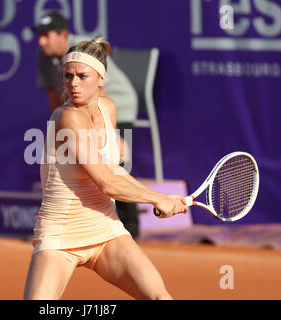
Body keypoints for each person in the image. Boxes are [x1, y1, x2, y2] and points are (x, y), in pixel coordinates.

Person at [23, 38, 188, 300]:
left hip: (106, 230)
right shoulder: (66, 117)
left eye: (82, 76)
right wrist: (157, 199)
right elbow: (107, 183)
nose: (73, 83)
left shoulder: (108, 108)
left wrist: (161, 197)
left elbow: (114, 170)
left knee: (160, 297)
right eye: (68, 76)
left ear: (100, 78)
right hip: (61, 235)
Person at [33, 11, 141, 240]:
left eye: (46, 35)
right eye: (39, 35)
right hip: (78, 111)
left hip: (116, 104)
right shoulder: (44, 56)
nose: (41, 41)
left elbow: (99, 94)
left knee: (113, 163)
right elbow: (54, 95)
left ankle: (130, 230)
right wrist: (58, 128)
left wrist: (109, 135)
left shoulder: (82, 50)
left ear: (63, 34)